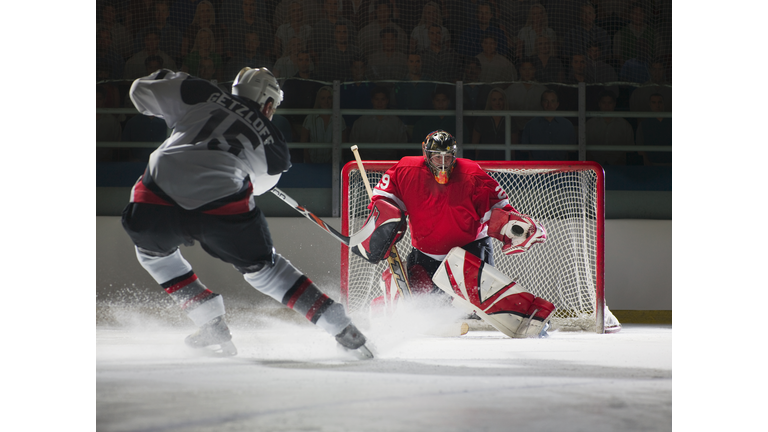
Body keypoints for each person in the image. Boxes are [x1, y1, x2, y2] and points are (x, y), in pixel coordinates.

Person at [121, 67, 372, 358]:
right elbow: (260, 185)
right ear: (267, 104)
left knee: (153, 254)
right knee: (265, 269)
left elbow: (139, 90)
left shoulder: (200, 93)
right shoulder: (275, 144)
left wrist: (167, 108)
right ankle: (340, 326)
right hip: (221, 203)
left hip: (156, 196)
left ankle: (210, 322)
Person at [353, 130, 554, 338]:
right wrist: (384, 221)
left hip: (469, 248)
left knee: (479, 297)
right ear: (426, 154)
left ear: (454, 155)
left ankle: (529, 317)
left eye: (447, 157)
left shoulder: (471, 174)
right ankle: (380, 312)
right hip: (425, 252)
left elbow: (499, 211)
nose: (442, 163)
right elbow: (383, 198)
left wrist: (514, 227)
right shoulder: (406, 169)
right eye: (436, 157)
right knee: (418, 298)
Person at [349, 86, 407, 160]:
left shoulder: (396, 122)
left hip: (390, 162)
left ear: (387, 101)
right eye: (377, 99)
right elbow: (353, 143)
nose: (380, 102)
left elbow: (402, 145)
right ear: (372, 100)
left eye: (383, 99)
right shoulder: (361, 121)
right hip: (365, 161)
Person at [521, 89, 576, 160]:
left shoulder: (567, 125)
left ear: (557, 104)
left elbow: (572, 152)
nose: (549, 105)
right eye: (546, 101)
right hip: (537, 168)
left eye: (552, 101)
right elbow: (524, 151)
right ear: (541, 103)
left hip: (561, 168)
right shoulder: (530, 125)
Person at [301, 86, 348, 163]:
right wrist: (308, 162)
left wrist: (335, 162)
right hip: (312, 162)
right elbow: (303, 142)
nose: (326, 101)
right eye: (323, 98)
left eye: (329, 98)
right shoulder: (310, 118)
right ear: (318, 100)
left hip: (333, 164)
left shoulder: (339, 119)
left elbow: (343, 143)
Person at [586, 91, 634, 166]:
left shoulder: (624, 125)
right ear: (599, 104)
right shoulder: (589, 124)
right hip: (594, 166)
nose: (606, 106)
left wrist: (620, 161)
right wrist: (592, 163)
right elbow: (584, 147)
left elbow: (629, 149)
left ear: (614, 104)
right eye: (603, 103)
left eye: (610, 103)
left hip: (619, 166)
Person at [472, 87, 516, 160]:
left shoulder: (510, 120)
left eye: (500, 99)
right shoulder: (482, 119)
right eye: (494, 100)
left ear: (504, 101)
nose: (497, 103)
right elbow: (475, 143)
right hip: (485, 160)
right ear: (490, 102)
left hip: (504, 160)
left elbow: (513, 146)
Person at [504, 58, 547, 132]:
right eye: (524, 69)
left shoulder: (543, 90)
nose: (527, 72)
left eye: (530, 69)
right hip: (514, 130)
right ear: (520, 70)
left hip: (537, 129)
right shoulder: (511, 89)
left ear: (535, 70)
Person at [393, 52, 436, 126]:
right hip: (405, 124)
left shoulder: (430, 83)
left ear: (422, 63)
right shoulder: (400, 84)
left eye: (417, 61)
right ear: (407, 63)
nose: (415, 65)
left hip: (426, 124)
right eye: (411, 62)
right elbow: (395, 106)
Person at [635, 93, 671, 165]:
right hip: (651, 165)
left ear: (664, 104)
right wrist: (647, 162)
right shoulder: (643, 125)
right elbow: (639, 146)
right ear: (650, 104)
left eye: (660, 102)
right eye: (654, 102)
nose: (657, 105)